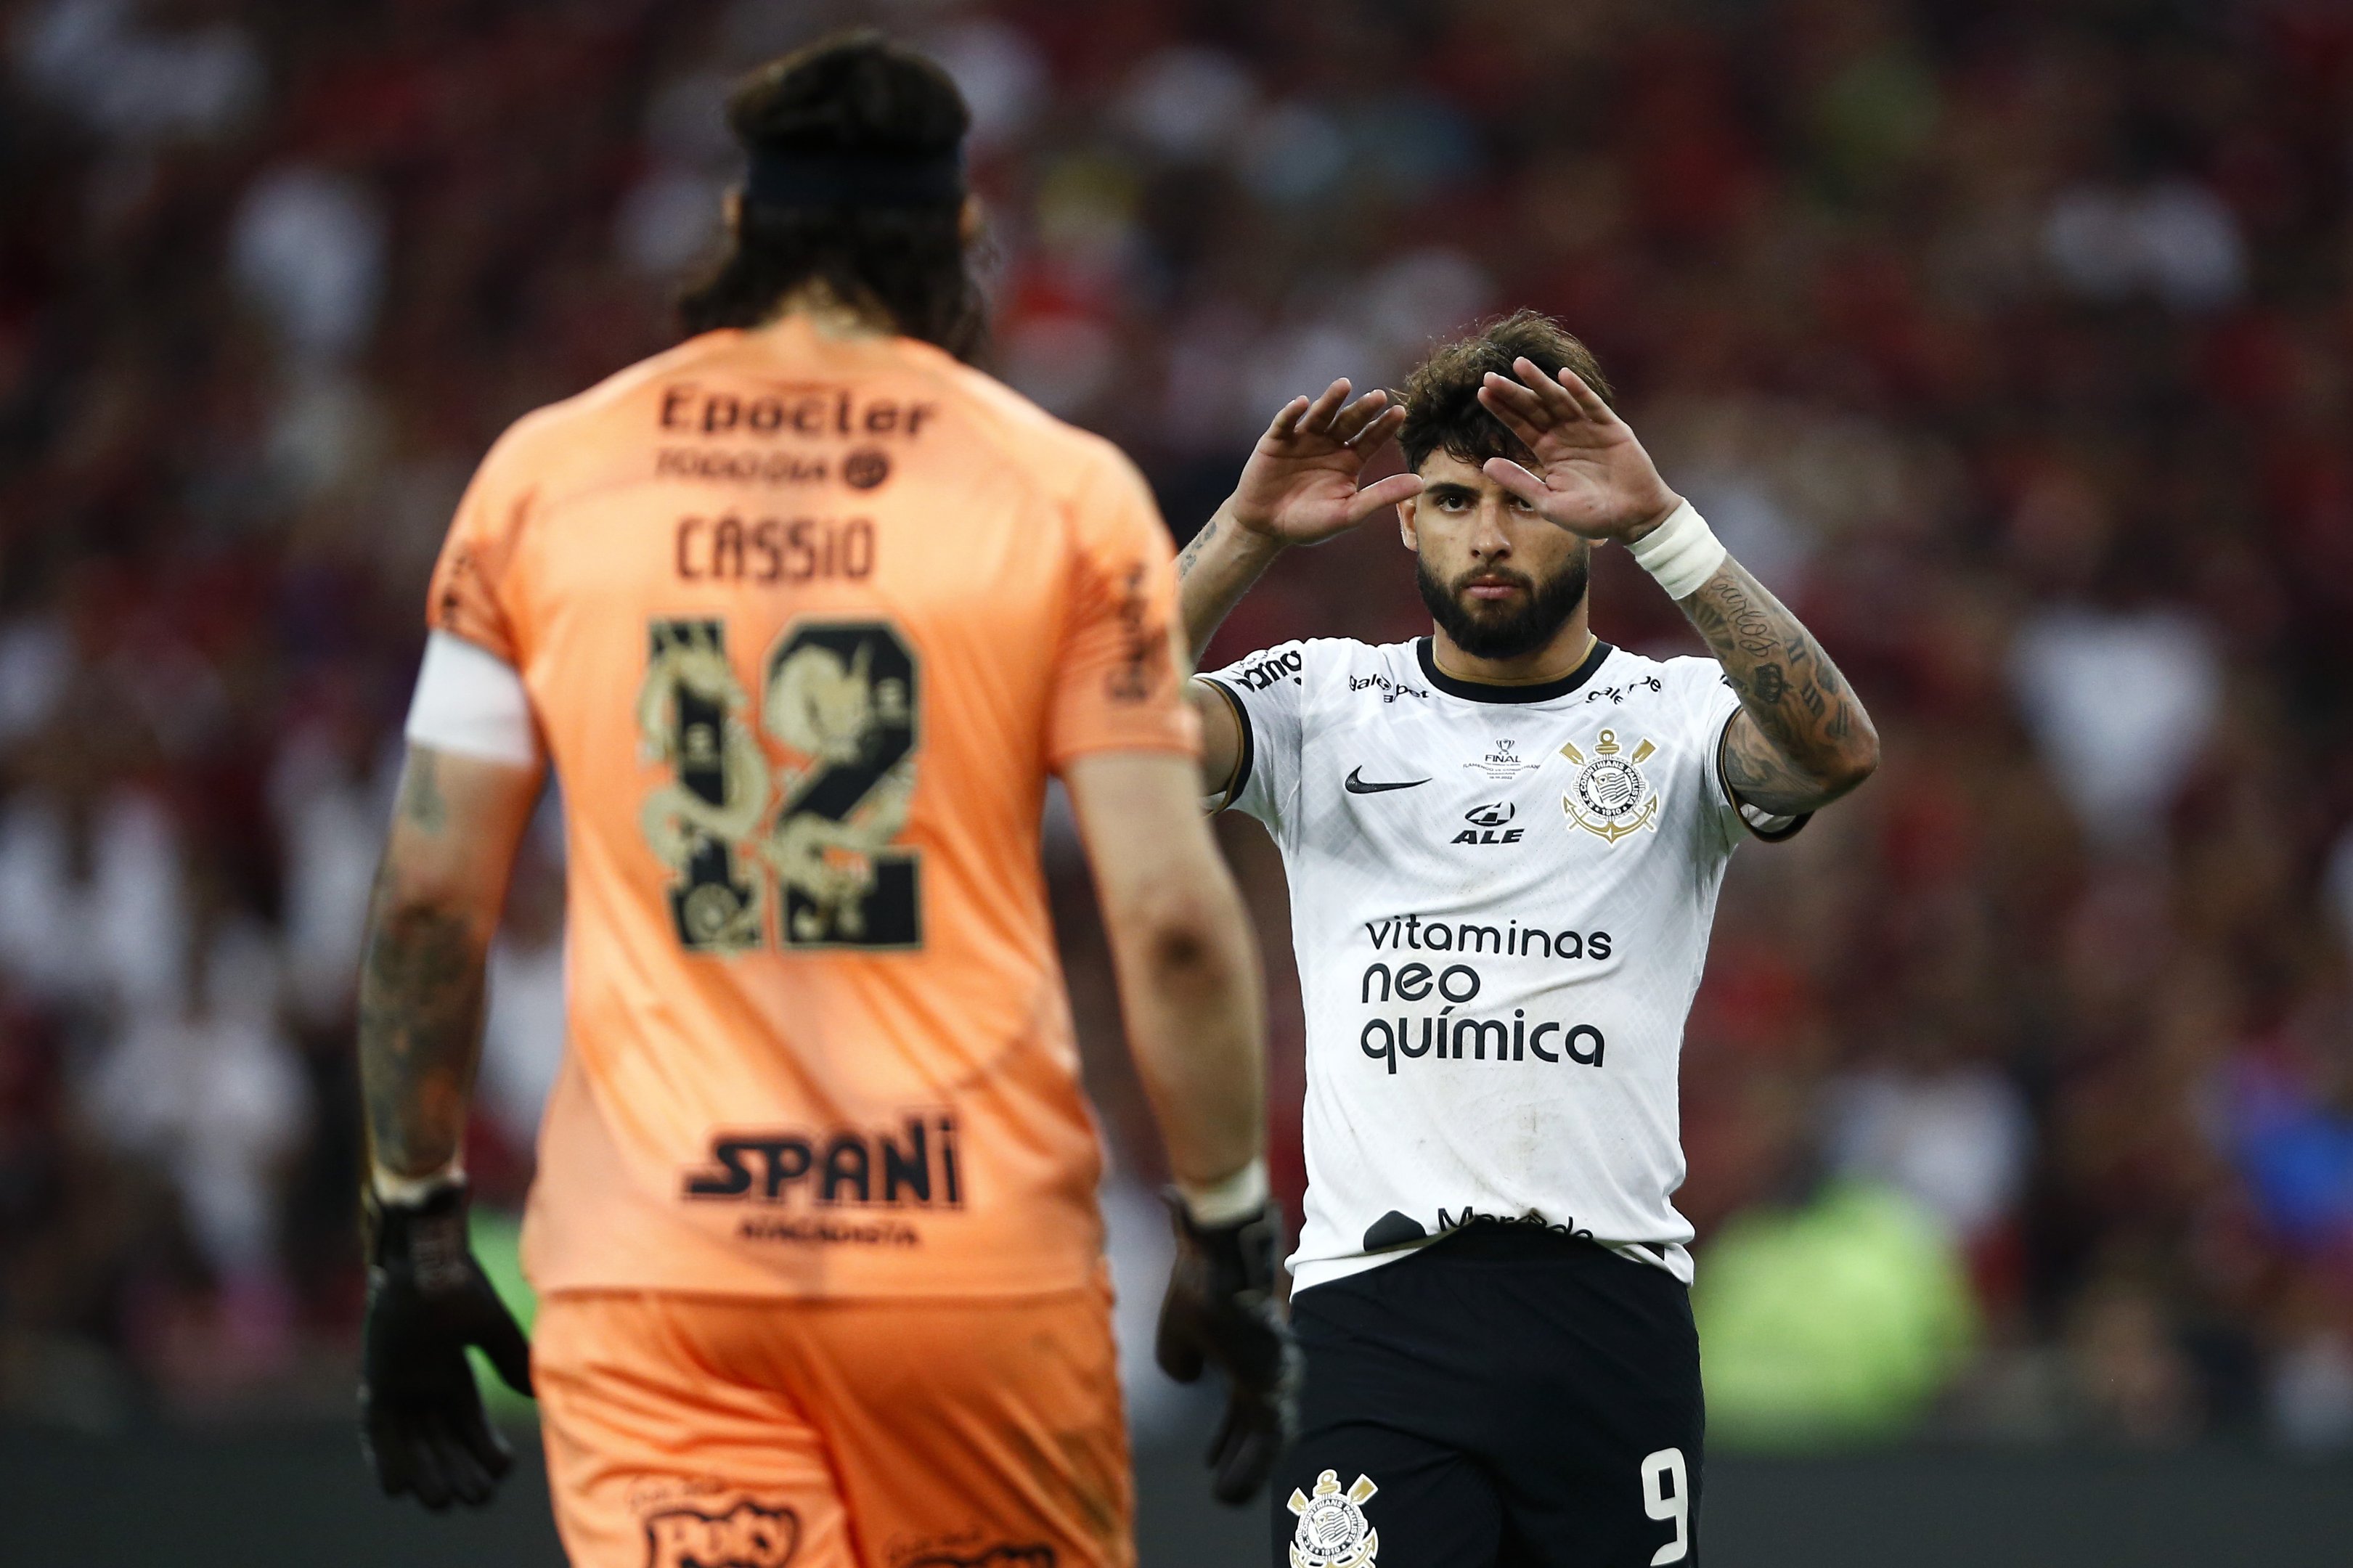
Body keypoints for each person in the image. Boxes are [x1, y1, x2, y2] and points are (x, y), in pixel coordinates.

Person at [352, 31, 1294, 1568]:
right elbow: (1172, 923)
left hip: (659, 1271)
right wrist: (1229, 1233)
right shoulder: (1058, 490)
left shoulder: (544, 478)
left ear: (734, 232)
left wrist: (413, 1226)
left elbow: (429, 900)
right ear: (960, 249)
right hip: (971, 1263)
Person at [1176, 311, 1880, 1568]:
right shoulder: (1319, 703)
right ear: (1403, 519)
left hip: (1606, 1306)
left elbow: (1836, 753)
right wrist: (1239, 537)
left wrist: (1667, 526)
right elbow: (1091, 721)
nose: (1487, 536)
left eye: (1523, 500)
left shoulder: (1673, 716)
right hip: (1374, 1310)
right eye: (1450, 501)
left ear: (1591, 512)